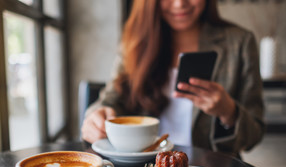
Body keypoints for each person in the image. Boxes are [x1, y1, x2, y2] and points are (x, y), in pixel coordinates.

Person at [81, 0, 265, 157]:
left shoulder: (240, 42)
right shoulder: (135, 41)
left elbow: (254, 134)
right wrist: (95, 117)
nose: (179, 4)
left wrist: (228, 112)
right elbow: (110, 100)